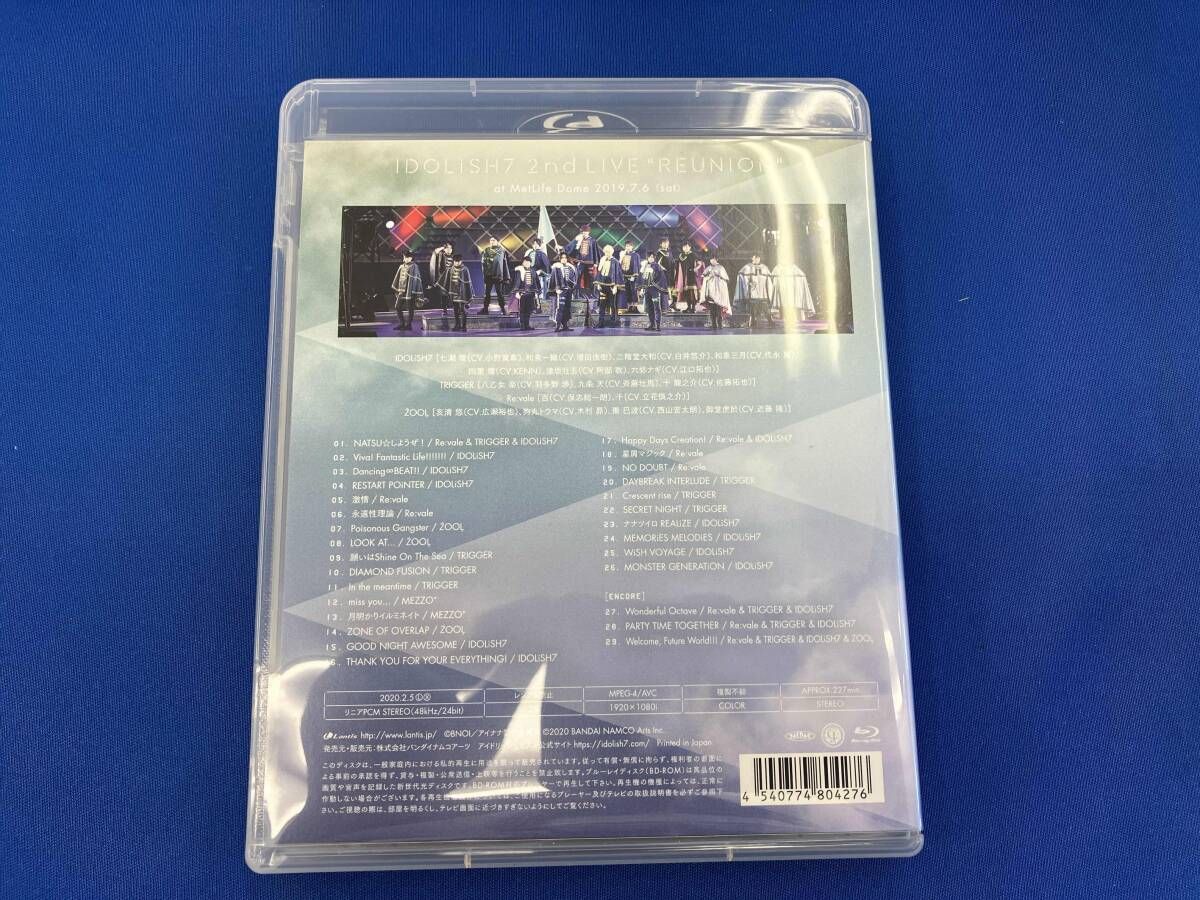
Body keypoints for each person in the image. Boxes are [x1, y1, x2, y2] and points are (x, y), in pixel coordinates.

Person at [735, 252, 775, 329]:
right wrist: (748, 283)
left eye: (758, 258)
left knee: (765, 307)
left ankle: (770, 321)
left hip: (763, 292)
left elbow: (769, 279)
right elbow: (742, 276)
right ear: (752, 258)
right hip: (753, 292)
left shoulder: (764, 267)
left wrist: (768, 289)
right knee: (753, 308)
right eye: (755, 257)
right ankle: (753, 321)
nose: (756, 259)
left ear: (759, 258)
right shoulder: (747, 267)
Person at [438, 253, 474, 332]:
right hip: (453, 293)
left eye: (458, 261)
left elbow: (468, 283)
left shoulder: (465, 269)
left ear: (461, 261)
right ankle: (457, 325)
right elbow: (445, 279)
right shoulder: (450, 269)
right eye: (455, 261)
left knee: (462, 309)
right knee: (455, 309)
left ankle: (464, 326)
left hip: (462, 293)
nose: (457, 263)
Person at [391, 250, 424, 331]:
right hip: (401, 291)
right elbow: (398, 278)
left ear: (411, 258)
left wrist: (413, 291)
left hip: (410, 291)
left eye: (406, 257)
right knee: (398, 307)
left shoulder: (414, 266)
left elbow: (416, 280)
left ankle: (408, 325)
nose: (405, 259)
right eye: (404, 257)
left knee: (410, 308)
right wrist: (398, 289)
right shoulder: (401, 266)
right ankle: (402, 323)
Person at [565, 224, 600, 298]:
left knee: (591, 279)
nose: (584, 233)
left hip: (590, 262)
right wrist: (562, 248)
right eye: (583, 232)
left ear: (588, 232)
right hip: (580, 262)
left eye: (586, 232)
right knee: (578, 277)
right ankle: (577, 294)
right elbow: (570, 247)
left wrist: (596, 262)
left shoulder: (593, 241)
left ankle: (592, 293)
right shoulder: (578, 240)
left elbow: (596, 252)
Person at [479, 236, 511, 314]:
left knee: (499, 293)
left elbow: (503, 263)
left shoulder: (501, 251)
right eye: (491, 240)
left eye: (493, 240)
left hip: (497, 275)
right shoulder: (486, 250)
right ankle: (485, 309)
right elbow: (483, 262)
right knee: (487, 293)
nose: (492, 241)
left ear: (497, 241)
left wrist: (505, 276)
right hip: (488, 275)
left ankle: (503, 309)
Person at [699, 255, 731, 330]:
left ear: (716, 260)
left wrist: (718, 275)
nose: (712, 261)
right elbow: (703, 275)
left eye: (713, 259)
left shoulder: (721, 268)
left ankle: (720, 324)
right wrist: (706, 276)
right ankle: (713, 324)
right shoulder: (708, 267)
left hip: (718, 291)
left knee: (718, 310)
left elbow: (725, 278)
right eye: (711, 259)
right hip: (710, 291)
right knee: (712, 310)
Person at [548, 252, 578, 332]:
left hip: (569, 290)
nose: (564, 259)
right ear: (560, 259)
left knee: (567, 307)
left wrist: (572, 288)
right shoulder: (556, 267)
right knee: (560, 308)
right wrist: (557, 288)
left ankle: (565, 326)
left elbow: (574, 279)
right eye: (562, 258)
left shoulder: (571, 267)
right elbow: (554, 278)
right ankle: (557, 326)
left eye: (565, 258)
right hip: (561, 290)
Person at [594, 244, 623, 328]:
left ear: (612, 252)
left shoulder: (615, 262)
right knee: (602, 305)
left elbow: (618, 274)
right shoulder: (602, 260)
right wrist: (598, 284)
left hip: (611, 286)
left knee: (612, 304)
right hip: (603, 286)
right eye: (606, 252)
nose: (607, 253)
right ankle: (601, 322)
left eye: (609, 252)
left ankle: (613, 321)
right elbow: (599, 273)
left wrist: (616, 286)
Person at [637, 254, 668, 332]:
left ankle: (658, 325)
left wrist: (653, 273)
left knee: (657, 307)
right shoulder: (644, 266)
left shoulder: (657, 266)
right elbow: (642, 278)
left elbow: (661, 277)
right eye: (649, 257)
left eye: (652, 257)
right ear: (647, 258)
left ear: (654, 258)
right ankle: (652, 325)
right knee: (649, 308)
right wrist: (641, 288)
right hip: (647, 290)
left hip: (654, 290)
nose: (651, 258)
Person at [510, 255, 540, 331]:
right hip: (522, 293)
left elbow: (536, 282)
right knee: (522, 310)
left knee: (529, 310)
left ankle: (527, 325)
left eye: (528, 262)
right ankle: (522, 325)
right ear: (523, 262)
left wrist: (536, 292)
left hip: (531, 293)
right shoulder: (519, 271)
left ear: (530, 263)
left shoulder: (533, 271)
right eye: (525, 262)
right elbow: (517, 282)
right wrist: (517, 292)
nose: (527, 263)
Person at [672, 242, 701, 312]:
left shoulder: (693, 255)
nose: (685, 248)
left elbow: (700, 263)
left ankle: (693, 307)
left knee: (692, 292)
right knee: (686, 292)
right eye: (684, 247)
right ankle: (688, 307)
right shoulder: (681, 255)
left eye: (687, 246)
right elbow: (677, 265)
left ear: (690, 247)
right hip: (684, 276)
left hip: (691, 276)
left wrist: (695, 269)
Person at [524, 237, 551, 312]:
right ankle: (532, 307)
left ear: (539, 245)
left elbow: (546, 265)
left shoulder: (542, 254)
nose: (535, 245)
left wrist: (542, 271)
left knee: (539, 292)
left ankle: (539, 308)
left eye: (537, 244)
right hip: (530, 275)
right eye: (534, 244)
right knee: (530, 291)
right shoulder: (529, 253)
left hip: (540, 276)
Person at [428, 240, 454, 316]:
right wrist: (443, 247)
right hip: (443, 279)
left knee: (454, 295)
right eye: (447, 248)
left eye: (450, 248)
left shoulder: (454, 257)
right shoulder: (441, 255)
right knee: (444, 295)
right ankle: (445, 310)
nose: (449, 250)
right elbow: (435, 252)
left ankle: (459, 309)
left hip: (452, 278)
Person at [618, 240, 642, 314]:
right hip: (625, 276)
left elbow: (637, 266)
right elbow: (620, 265)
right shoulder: (623, 254)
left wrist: (636, 276)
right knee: (628, 292)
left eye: (629, 246)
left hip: (633, 276)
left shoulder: (636, 255)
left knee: (634, 291)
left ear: (632, 247)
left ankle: (635, 307)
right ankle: (629, 307)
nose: (628, 247)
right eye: (626, 246)